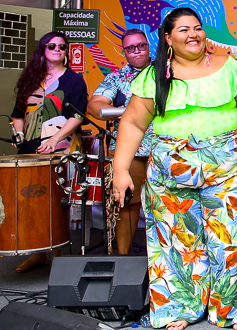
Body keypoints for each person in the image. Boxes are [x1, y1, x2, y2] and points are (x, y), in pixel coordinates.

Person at [111, 7, 237, 330]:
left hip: (229, 164)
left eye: (197, 28)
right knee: (177, 240)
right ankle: (179, 305)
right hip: (170, 168)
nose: (193, 34)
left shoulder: (229, 67)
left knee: (234, 237)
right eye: (183, 30)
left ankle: (235, 306)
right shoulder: (154, 76)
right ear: (168, 38)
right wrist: (120, 169)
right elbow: (131, 123)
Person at [11, 31, 89, 272]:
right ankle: (38, 254)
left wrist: (55, 138)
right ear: (42, 49)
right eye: (52, 45)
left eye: (63, 47)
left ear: (67, 52)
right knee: (31, 199)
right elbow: (17, 115)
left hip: (60, 148)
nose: (58, 49)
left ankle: (57, 256)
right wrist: (19, 134)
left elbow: (77, 116)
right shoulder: (30, 79)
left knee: (56, 201)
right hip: (30, 149)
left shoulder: (74, 81)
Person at [87, 29, 155, 255]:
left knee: (167, 201)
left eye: (141, 46)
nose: (136, 51)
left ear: (148, 45)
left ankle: (164, 261)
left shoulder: (165, 71)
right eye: (130, 48)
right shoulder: (116, 77)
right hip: (129, 148)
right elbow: (94, 104)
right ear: (123, 51)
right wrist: (123, 112)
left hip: (164, 146)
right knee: (128, 202)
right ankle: (123, 258)